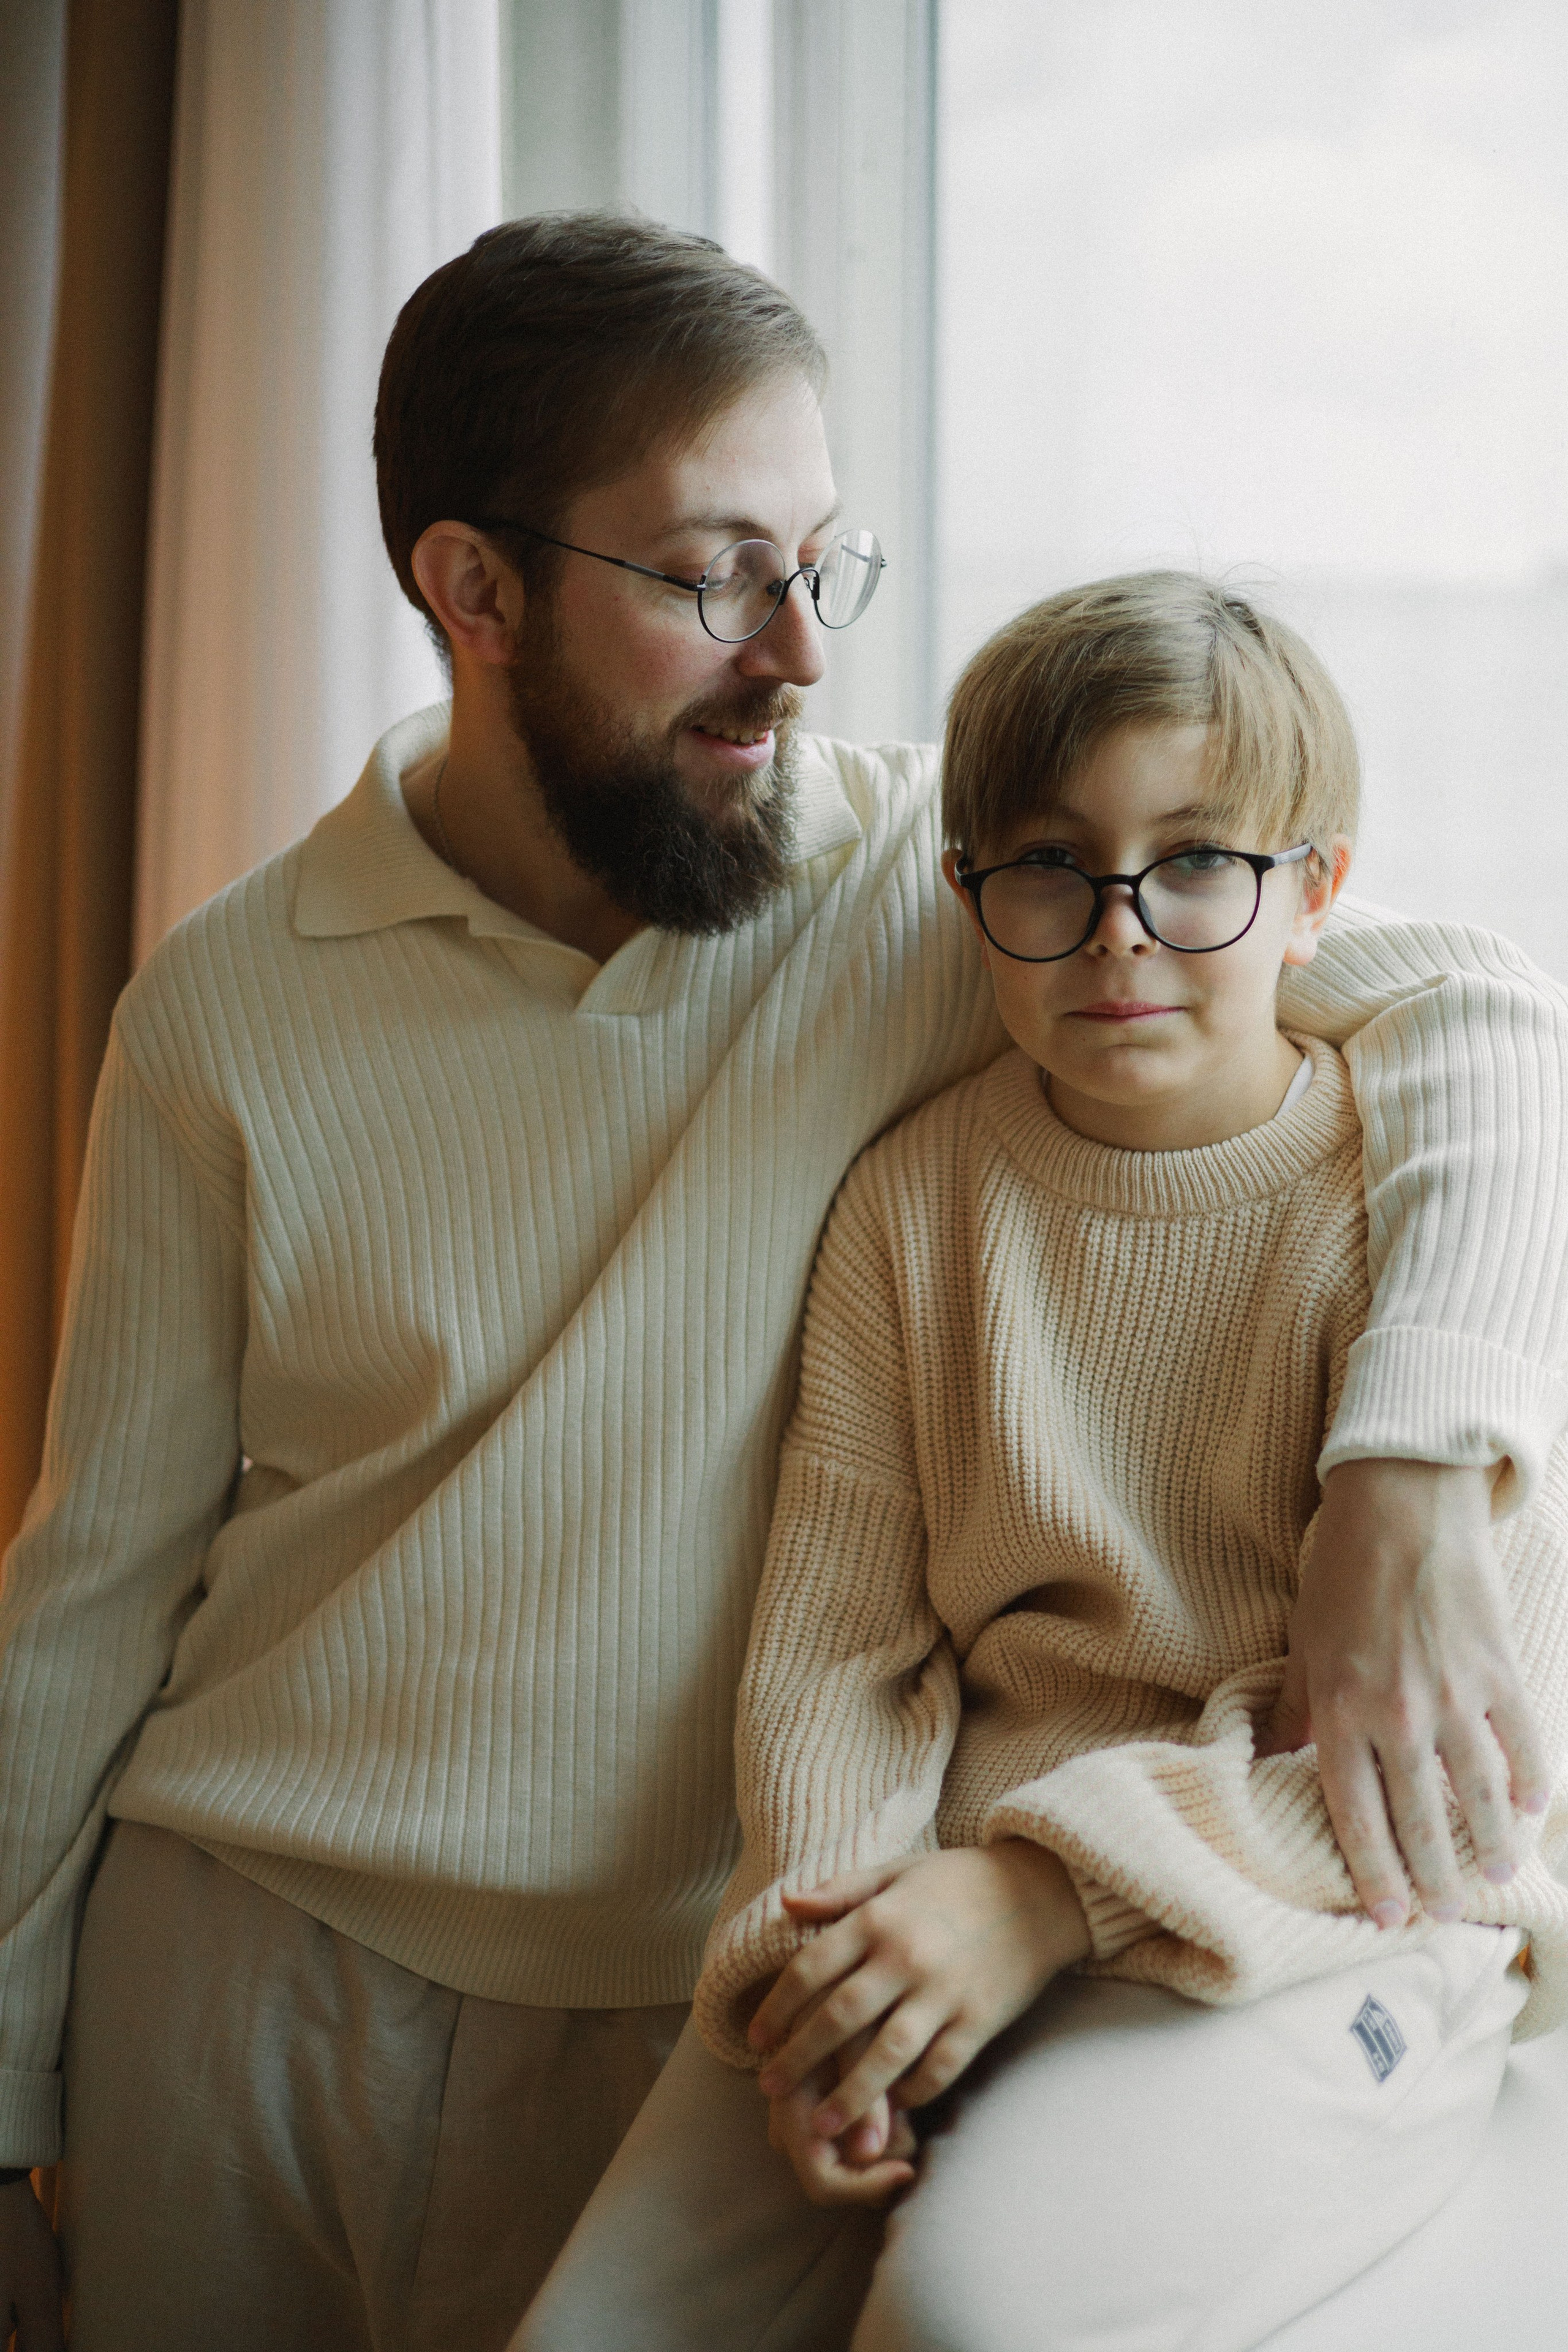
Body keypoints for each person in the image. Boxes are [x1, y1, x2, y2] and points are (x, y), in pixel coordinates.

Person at [0, 217, 1563, 2352]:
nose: (805, 652)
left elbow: (1475, 1014)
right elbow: (94, 1580)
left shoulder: (947, 893)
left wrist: (1413, 1453)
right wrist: (7, 2092)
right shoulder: (224, 1008)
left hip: (678, 1988)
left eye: (823, 563)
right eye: (716, 571)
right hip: (236, 1961)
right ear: (475, 588)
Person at [517, 575, 1568, 2352]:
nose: (1119, 932)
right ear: (968, 897)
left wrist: (1039, 1894)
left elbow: (1416, 1766)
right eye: (1049, 867)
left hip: (1344, 1907)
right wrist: (827, 1951)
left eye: (1198, 862)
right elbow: (839, 1653)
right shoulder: (912, 1205)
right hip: (959, 1889)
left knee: (979, 2316)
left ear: (1314, 890)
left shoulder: (1431, 1221)